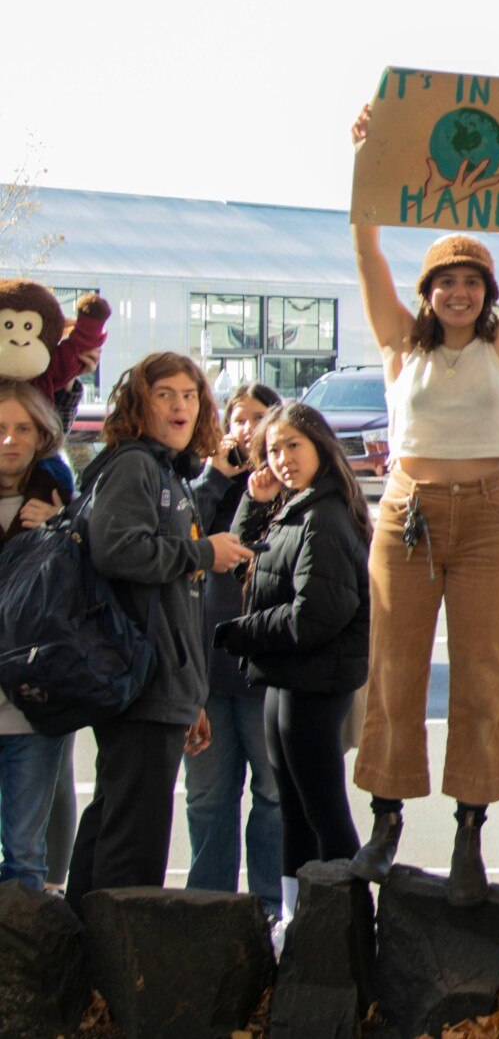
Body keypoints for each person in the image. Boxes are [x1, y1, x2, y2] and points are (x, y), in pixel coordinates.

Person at [344, 104, 499, 904]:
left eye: (470, 280)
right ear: (428, 293)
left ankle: (470, 832)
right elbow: (368, 250)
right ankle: (384, 820)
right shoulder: (396, 346)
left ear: (486, 294)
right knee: (396, 668)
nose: (456, 290)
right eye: (444, 280)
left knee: (482, 669)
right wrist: (368, 160)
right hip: (406, 511)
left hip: (486, 514)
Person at [67, 353, 256, 904]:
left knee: (114, 819)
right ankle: (117, 972)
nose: (180, 405)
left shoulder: (165, 470)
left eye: (190, 395)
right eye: (165, 394)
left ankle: (83, 956)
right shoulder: (134, 466)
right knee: (134, 843)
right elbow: (118, 549)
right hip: (139, 679)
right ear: (138, 403)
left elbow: (175, 602)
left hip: (161, 683)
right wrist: (204, 550)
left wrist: (191, 694)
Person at [210, 402, 370, 939]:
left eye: (292, 447)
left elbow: (316, 615)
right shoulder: (295, 507)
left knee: (322, 808)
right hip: (287, 675)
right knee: (296, 811)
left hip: (314, 679)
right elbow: (247, 561)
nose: (281, 459)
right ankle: (297, 919)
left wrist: (241, 633)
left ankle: (352, 929)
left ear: (321, 447)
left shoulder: (324, 515)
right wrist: (254, 506)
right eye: (273, 449)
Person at [186, 382, 284, 920]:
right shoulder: (202, 483)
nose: (246, 428)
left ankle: (268, 906)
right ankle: (207, 909)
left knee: (271, 797)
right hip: (203, 671)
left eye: (258, 418)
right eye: (237, 418)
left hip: (260, 671)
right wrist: (214, 476)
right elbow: (178, 534)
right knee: (207, 799)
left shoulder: (288, 484)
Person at [0, 382, 74, 890]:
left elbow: (85, 590)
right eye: (0, 429)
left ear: (42, 433)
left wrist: (60, 528)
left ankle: (25, 966)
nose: (10, 440)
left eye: (22, 428)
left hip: (34, 703)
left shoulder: (61, 500)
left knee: (26, 858)